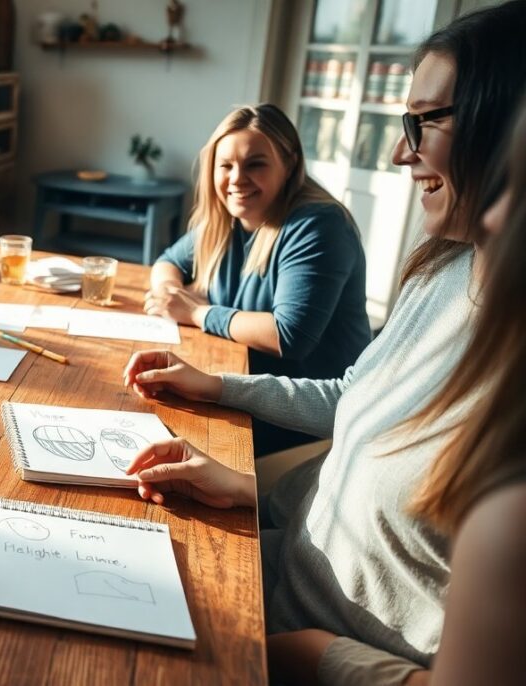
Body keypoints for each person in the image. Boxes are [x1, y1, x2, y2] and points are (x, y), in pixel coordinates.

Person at [122, 2, 526, 681]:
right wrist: (240, 477)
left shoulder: (317, 225)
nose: (400, 152)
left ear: (507, 128)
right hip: (275, 572)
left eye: (424, 121)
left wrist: (309, 653)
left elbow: (289, 333)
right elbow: (356, 403)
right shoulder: (443, 270)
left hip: (296, 646)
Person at [148, 104, 369, 454]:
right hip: (247, 388)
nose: (237, 179)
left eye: (255, 164)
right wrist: (170, 293)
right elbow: (168, 261)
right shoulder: (229, 219)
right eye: (226, 165)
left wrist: (196, 312)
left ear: (290, 164)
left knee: (161, 431)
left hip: (309, 422)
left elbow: (289, 335)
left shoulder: (319, 226)